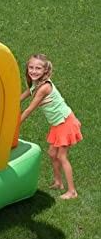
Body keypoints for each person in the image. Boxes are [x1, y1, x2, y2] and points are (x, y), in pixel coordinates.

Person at [20, 53, 82, 199]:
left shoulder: (44, 87)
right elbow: (27, 92)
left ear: (45, 70)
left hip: (65, 122)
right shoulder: (36, 83)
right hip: (57, 124)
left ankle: (72, 191)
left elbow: (30, 109)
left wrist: (16, 125)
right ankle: (58, 182)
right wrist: (13, 101)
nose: (34, 71)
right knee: (52, 154)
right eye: (31, 67)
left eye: (38, 68)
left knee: (61, 156)